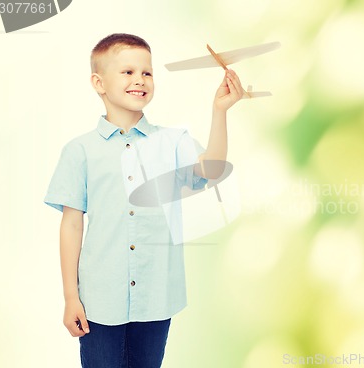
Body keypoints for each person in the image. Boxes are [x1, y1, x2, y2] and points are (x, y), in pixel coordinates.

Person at [44, 33, 244, 368]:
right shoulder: (80, 151)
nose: (140, 80)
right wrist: (70, 297)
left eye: (147, 73)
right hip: (99, 299)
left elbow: (211, 170)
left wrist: (219, 110)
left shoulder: (172, 142)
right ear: (99, 82)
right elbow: (72, 224)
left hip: (156, 298)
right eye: (128, 72)